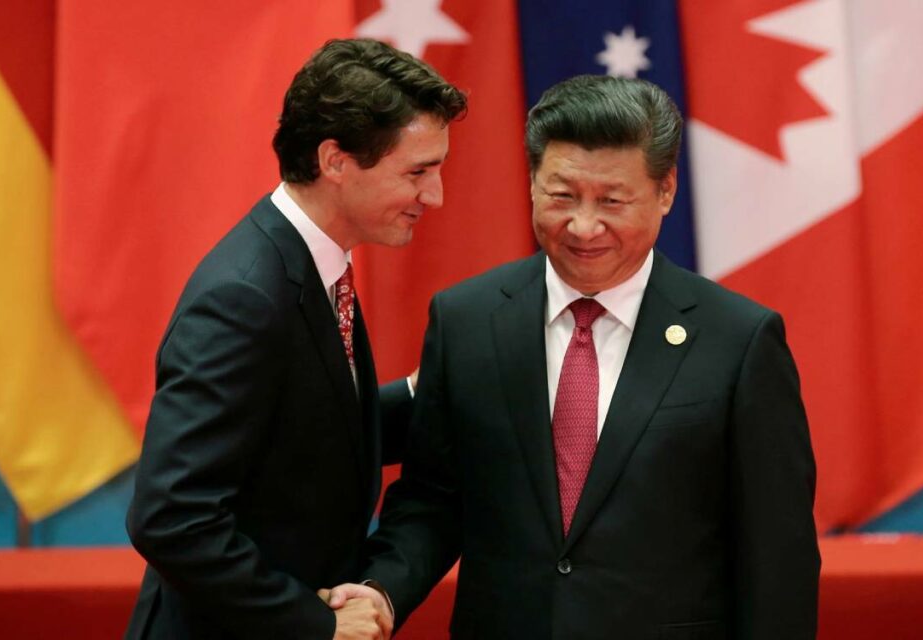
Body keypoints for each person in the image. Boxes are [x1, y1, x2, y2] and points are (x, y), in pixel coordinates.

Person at [328, 75, 820, 638]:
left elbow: (777, 556)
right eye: (561, 196)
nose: (584, 227)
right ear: (533, 183)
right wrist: (381, 592)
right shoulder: (468, 321)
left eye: (612, 201)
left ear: (665, 191)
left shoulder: (739, 340)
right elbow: (433, 501)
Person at [124, 38, 466, 640]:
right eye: (417, 172)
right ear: (335, 160)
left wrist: (424, 395)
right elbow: (172, 517)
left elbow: (302, 435)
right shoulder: (245, 297)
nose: (434, 196)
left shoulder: (310, 264)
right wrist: (314, 623)